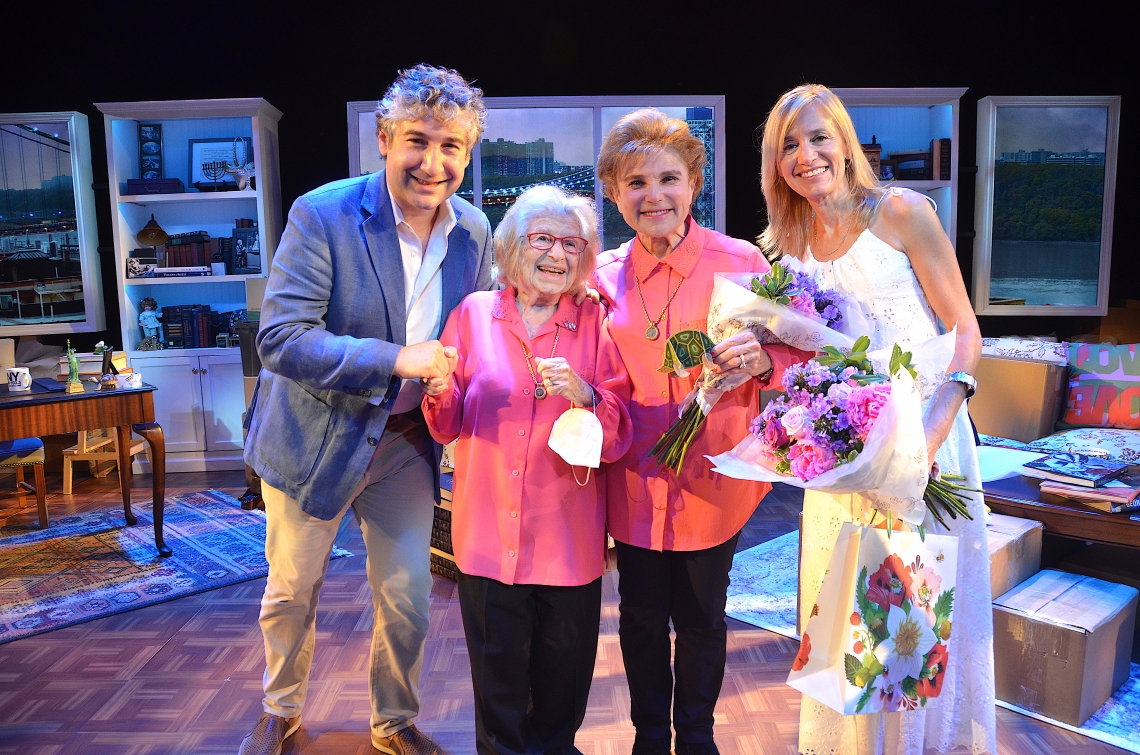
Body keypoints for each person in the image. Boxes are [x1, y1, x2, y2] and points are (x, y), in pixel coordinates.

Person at [238, 64, 493, 755]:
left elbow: (480, 330)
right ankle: (280, 707)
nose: (432, 163)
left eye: (451, 147)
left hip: (407, 443)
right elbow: (281, 339)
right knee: (292, 591)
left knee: (408, 597)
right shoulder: (322, 213)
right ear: (383, 138)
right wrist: (397, 358)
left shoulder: (474, 230)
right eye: (417, 140)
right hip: (315, 437)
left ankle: (394, 720)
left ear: (467, 153)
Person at [758, 84, 994, 755]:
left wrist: (931, 436)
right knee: (851, 633)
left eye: (817, 137)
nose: (805, 156)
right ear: (776, 165)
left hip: (926, 444)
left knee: (915, 627)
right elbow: (803, 354)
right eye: (788, 147)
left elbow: (966, 334)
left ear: (845, 140)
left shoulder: (901, 212)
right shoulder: (788, 241)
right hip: (844, 458)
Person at [591, 109, 810, 755]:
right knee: (638, 616)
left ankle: (698, 736)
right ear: (613, 192)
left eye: (667, 179)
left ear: (693, 183)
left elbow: (800, 355)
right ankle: (649, 737)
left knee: (703, 614)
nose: (652, 195)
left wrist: (768, 360)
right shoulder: (600, 276)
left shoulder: (741, 260)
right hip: (632, 476)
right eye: (635, 182)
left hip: (713, 475)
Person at [422, 185, 633, 755]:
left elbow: (618, 436)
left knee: (561, 698)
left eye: (572, 243)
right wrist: (439, 388)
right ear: (515, 244)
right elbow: (445, 424)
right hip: (487, 540)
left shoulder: (598, 322)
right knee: (497, 698)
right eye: (543, 239)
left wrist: (588, 394)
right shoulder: (472, 316)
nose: (557, 254)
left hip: (567, 543)